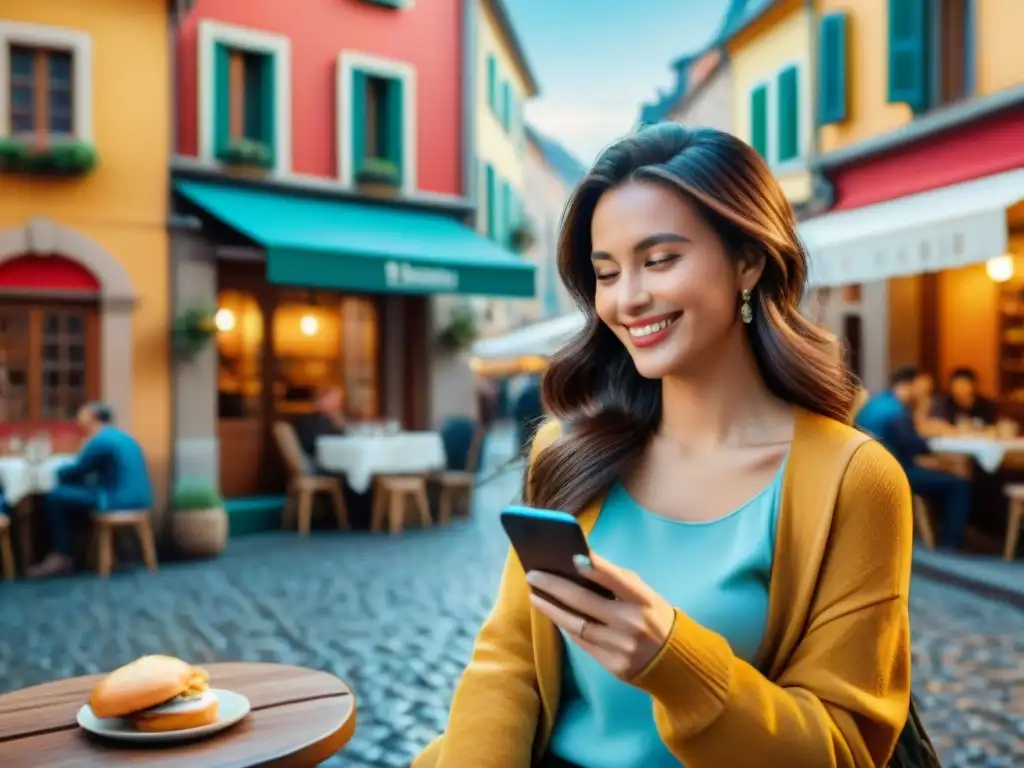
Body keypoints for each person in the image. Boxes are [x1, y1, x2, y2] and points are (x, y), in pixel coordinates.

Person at [414, 124, 913, 767]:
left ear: (748, 261)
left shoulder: (853, 479)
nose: (628, 298)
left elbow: (843, 751)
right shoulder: (567, 452)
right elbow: (507, 663)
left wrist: (672, 660)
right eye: (607, 272)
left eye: (660, 260)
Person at [28, 402, 154, 578]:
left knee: (54, 497)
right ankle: (77, 554)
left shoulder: (99, 440)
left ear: (93, 418)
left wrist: (53, 471)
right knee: (73, 497)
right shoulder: (122, 437)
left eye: (82, 415)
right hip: (140, 499)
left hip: (115, 499)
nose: (78, 420)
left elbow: (76, 470)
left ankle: (61, 555)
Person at [856, 366, 972, 549]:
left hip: (868, 468)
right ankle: (949, 544)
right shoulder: (896, 411)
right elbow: (913, 446)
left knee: (947, 471)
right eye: (921, 387)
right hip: (895, 472)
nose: (925, 392)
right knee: (960, 483)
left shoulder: (879, 402)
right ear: (908, 385)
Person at [293, 386, 347, 468]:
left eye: (339, 401)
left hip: (325, 461)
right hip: (317, 464)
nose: (338, 404)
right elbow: (319, 445)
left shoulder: (330, 420)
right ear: (320, 400)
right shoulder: (309, 421)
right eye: (333, 400)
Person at [931, 367, 999, 429]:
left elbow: (994, 428)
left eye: (964, 385)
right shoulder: (945, 404)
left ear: (973, 386)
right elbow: (938, 425)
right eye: (956, 386)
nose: (960, 389)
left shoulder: (986, 405)